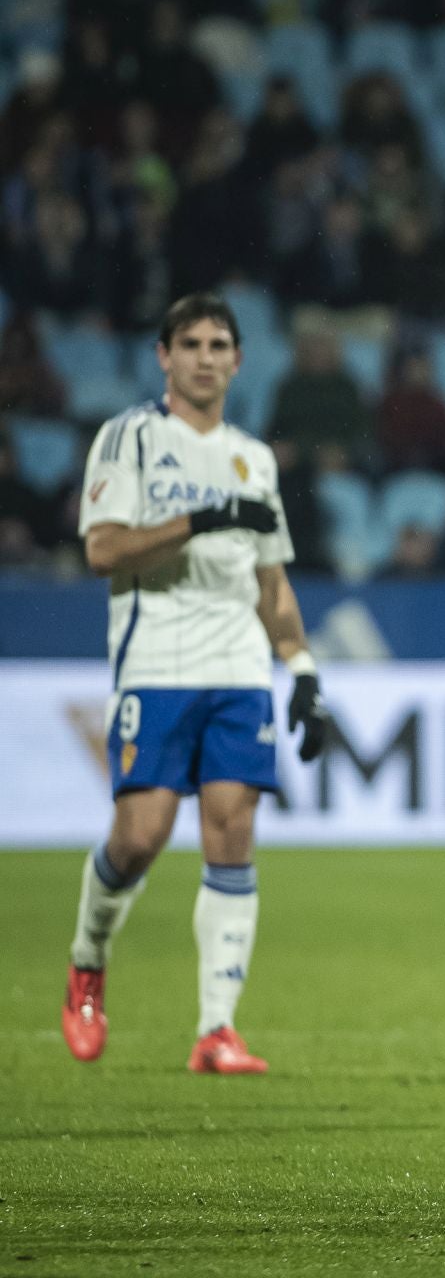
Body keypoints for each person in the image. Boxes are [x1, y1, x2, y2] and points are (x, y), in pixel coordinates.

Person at [61, 293, 333, 1075]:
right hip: (158, 663)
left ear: (239, 360)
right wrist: (200, 521)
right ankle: (88, 961)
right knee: (140, 837)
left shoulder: (255, 457)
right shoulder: (131, 439)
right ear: (164, 356)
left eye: (220, 344)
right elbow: (104, 550)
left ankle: (217, 1029)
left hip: (239, 668)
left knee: (231, 832)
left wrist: (304, 673)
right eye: (191, 343)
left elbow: (271, 581)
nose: (206, 356)